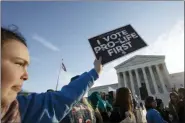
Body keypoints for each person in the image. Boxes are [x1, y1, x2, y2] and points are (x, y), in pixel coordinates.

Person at [1, 27, 103, 123]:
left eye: (26, 66)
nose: (26, 76)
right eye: (19, 63)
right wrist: (94, 73)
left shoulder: (19, 108)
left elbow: (59, 100)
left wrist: (95, 72)